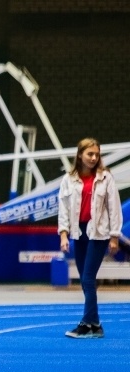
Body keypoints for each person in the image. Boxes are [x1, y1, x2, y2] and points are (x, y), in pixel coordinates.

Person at [58, 137, 122, 339]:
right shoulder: (68, 179)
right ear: (80, 155)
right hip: (79, 233)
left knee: (87, 278)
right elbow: (64, 208)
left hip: (99, 233)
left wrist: (114, 236)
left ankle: (86, 323)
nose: (94, 158)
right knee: (86, 281)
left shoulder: (105, 177)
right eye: (90, 154)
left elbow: (114, 207)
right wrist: (63, 234)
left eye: (96, 154)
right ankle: (95, 324)